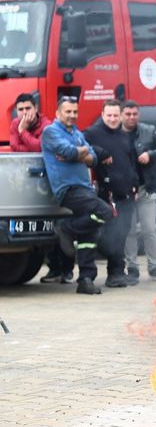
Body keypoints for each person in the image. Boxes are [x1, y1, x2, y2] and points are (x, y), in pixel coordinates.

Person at [41, 96, 113, 295]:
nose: (72, 115)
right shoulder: (51, 132)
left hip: (84, 188)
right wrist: (79, 153)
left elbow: (93, 158)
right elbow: (68, 151)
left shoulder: (77, 133)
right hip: (68, 189)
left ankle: (86, 279)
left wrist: (79, 153)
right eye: (68, 112)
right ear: (58, 113)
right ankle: (67, 228)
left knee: (89, 234)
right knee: (105, 212)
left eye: (75, 112)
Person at [10, 93, 75, 284]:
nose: (24, 113)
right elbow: (14, 148)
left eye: (27, 108)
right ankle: (54, 270)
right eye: (20, 109)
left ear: (36, 109)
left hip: (52, 179)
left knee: (58, 226)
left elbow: (41, 149)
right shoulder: (15, 123)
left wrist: (23, 133)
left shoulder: (47, 126)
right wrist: (23, 137)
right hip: (29, 182)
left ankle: (67, 270)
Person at [84, 99, 140, 288]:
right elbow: (80, 144)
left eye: (116, 115)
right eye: (109, 115)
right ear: (102, 115)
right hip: (107, 195)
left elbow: (132, 163)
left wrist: (136, 186)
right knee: (111, 235)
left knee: (122, 233)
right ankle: (114, 272)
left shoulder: (125, 136)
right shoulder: (92, 133)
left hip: (127, 193)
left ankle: (117, 272)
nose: (113, 119)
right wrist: (99, 152)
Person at [121, 100, 156, 283]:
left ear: (139, 114)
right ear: (121, 115)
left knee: (150, 229)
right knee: (129, 230)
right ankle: (132, 267)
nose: (131, 117)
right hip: (125, 191)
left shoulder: (149, 131)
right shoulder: (114, 133)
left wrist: (150, 155)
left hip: (146, 188)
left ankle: (154, 267)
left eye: (134, 114)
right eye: (127, 114)